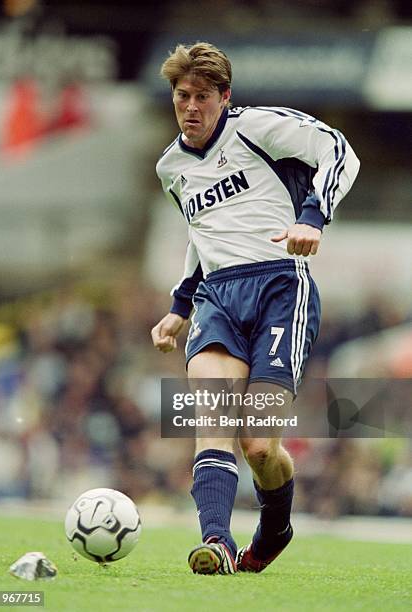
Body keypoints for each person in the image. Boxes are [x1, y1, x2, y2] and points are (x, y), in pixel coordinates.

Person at [151, 42, 360, 575]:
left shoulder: (257, 127)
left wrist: (313, 216)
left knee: (259, 445)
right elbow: (204, 233)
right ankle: (216, 542)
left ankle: (276, 527)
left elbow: (339, 149)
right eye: (182, 96)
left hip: (279, 290)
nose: (191, 107)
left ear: (224, 98)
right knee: (213, 420)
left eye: (202, 96)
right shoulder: (171, 167)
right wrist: (179, 305)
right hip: (216, 297)